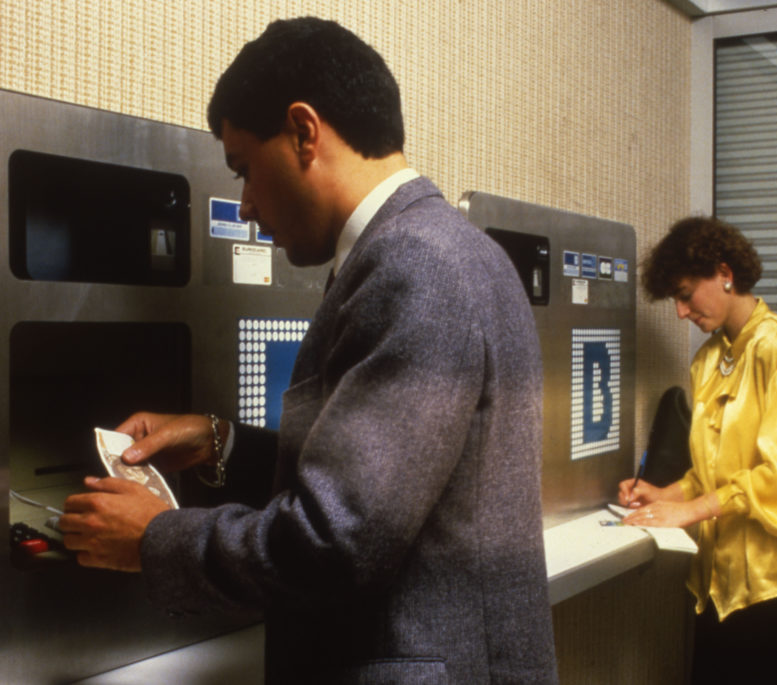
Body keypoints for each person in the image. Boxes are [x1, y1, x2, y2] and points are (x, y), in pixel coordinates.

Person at [58, 17, 558, 684]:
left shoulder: (414, 266)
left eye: (243, 169)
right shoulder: (450, 251)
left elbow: (337, 540)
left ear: (303, 132)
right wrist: (219, 441)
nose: (244, 207)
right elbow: (385, 487)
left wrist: (153, 540)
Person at [619, 217, 777, 685]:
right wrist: (665, 495)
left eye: (685, 294)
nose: (681, 312)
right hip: (720, 579)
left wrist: (693, 511)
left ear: (725, 272)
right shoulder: (708, 360)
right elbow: (712, 473)